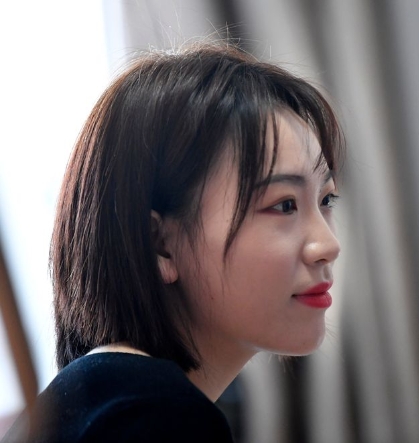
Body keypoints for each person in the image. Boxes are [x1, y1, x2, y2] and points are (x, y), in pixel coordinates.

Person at [2, 41, 344, 442]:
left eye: (326, 200)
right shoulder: (155, 420)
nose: (328, 245)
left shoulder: (96, 400)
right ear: (159, 244)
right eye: (284, 205)